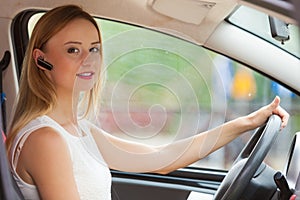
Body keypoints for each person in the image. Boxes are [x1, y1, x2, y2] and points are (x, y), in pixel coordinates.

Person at [5, 4, 289, 200]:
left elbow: (163, 159)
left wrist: (246, 123)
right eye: (72, 50)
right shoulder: (45, 138)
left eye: (94, 48)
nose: (88, 59)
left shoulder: (80, 130)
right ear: (41, 60)